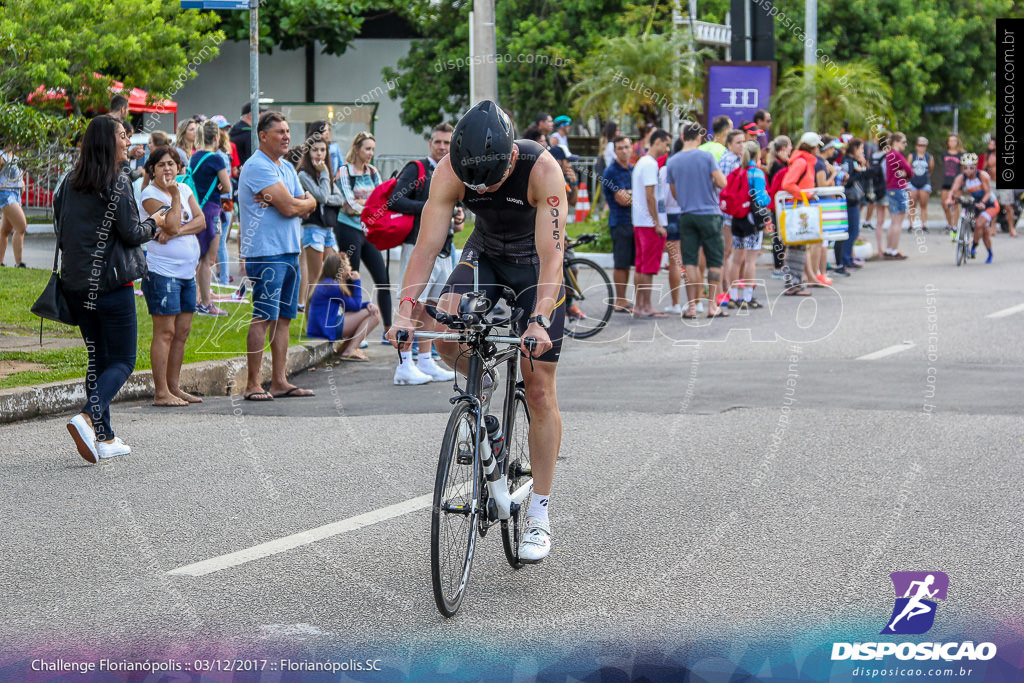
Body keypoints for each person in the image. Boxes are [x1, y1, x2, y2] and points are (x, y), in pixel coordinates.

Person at [388, 101, 567, 563]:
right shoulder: (451, 169)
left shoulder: (542, 170)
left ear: (511, 158)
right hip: (485, 253)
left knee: (540, 387)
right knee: (447, 333)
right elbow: (427, 245)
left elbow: (552, 258)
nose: (481, 188)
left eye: (491, 180)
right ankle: (481, 390)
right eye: (475, 182)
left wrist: (539, 319)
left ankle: (539, 515)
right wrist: (405, 312)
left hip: (533, 266)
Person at [56, 115, 159, 462]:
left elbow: (62, 228)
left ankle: (105, 437)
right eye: (122, 134)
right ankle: (86, 417)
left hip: (76, 286)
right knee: (123, 360)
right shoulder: (117, 181)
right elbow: (132, 233)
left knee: (97, 359)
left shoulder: (70, 182)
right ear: (106, 141)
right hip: (112, 286)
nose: (128, 139)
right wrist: (155, 223)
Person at [238, 111, 317, 401]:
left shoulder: (283, 167)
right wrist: (294, 202)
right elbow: (290, 207)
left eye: (287, 131)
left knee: (284, 319)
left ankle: (280, 381)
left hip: (288, 250)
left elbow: (309, 205)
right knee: (263, 317)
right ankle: (252, 384)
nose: (286, 136)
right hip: (266, 253)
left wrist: (299, 201)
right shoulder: (258, 166)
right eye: (279, 132)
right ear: (262, 136)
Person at [385, 122, 462, 384]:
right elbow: (395, 200)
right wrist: (432, 208)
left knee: (432, 307)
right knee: (413, 305)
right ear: (430, 143)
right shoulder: (417, 169)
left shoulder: (452, 170)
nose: (442, 147)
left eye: (447, 143)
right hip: (418, 246)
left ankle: (426, 361)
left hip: (444, 249)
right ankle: (403, 366)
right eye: (438, 142)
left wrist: (455, 216)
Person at [139, 147, 208, 407]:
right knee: (165, 332)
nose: (168, 169)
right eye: (161, 165)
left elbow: (201, 222)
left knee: (182, 331)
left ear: (179, 167)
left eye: (172, 164)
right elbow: (172, 222)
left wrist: (177, 232)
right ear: (153, 170)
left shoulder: (187, 190)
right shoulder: (149, 195)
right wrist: (175, 195)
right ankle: (161, 392)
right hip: (162, 272)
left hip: (187, 274)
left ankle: (174, 386)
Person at [666, 122, 729, 318]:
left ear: (682, 136)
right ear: (700, 137)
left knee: (690, 262)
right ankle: (712, 306)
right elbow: (722, 183)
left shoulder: (673, 161)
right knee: (714, 261)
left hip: (686, 215)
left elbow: (674, 193)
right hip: (709, 214)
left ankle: (692, 307)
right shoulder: (706, 156)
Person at [334, 131, 393, 331]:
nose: (370, 153)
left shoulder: (373, 172)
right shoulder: (344, 171)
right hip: (348, 229)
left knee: (383, 279)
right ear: (357, 149)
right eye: (367, 149)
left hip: (368, 230)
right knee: (353, 276)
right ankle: (352, 327)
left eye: (373, 150)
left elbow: (383, 202)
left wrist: (364, 205)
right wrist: (369, 206)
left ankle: (388, 329)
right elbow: (349, 203)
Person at [189, 120, 232, 315]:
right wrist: (222, 185)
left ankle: (198, 299)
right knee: (208, 260)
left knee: (198, 259)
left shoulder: (194, 157)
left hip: (196, 209)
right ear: (216, 137)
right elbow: (228, 187)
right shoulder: (216, 159)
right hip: (212, 211)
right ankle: (206, 304)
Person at [297, 137, 343, 310]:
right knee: (315, 278)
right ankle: (310, 321)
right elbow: (323, 196)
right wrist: (324, 174)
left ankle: (324, 315)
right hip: (312, 228)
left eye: (323, 150)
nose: (319, 154)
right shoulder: (303, 175)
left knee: (332, 274)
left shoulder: (326, 174)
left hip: (328, 229)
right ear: (308, 152)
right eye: (315, 150)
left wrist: (324, 181)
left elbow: (339, 198)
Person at [306, 253, 381, 358]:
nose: (351, 268)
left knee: (367, 312)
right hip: (325, 329)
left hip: (321, 327)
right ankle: (351, 349)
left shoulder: (327, 283)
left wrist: (367, 304)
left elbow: (351, 307)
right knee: (374, 315)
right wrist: (356, 281)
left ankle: (345, 349)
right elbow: (355, 306)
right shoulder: (333, 286)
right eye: (348, 266)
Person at [629, 129, 670, 318]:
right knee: (648, 267)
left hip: (641, 221)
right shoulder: (649, 164)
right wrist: (657, 223)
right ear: (658, 142)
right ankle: (645, 306)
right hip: (648, 223)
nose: (667, 149)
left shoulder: (642, 163)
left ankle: (640, 305)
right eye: (666, 144)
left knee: (641, 265)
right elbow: (650, 195)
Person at [729, 141, 771, 309]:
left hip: (736, 219)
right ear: (757, 154)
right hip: (751, 220)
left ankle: (732, 297)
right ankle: (747, 297)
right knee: (750, 260)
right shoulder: (756, 173)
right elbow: (761, 200)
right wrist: (767, 197)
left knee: (736, 259)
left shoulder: (737, 171)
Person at [779, 132, 822, 296]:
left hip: (799, 209)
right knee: (796, 248)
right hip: (798, 210)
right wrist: (805, 195)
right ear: (812, 147)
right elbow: (787, 183)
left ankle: (794, 283)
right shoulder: (802, 162)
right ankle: (793, 284)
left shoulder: (802, 161)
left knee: (798, 247)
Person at [945, 153, 998, 263]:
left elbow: (988, 193)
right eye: (965, 167)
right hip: (975, 204)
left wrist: (983, 202)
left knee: (980, 225)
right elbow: (953, 190)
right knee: (982, 231)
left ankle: (974, 248)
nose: (968, 170)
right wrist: (949, 199)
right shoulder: (961, 177)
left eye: (971, 168)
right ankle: (982, 248)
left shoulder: (982, 175)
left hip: (989, 204)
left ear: (976, 167)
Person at [602, 135, 635, 313]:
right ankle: (620, 300)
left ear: (632, 149)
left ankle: (624, 299)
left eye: (627, 147)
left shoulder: (632, 169)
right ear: (614, 151)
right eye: (620, 148)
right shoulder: (611, 171)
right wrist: (638, 198)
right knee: (621, 263)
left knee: (629, 262)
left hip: (633, 222)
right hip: (620, 222)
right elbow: (623, 199)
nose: (624, 151)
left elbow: (630, 196)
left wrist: (633, 196)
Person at [718, 130, 745, 307]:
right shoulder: (729, 161)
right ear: (729, 144)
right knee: (725, 253)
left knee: (728, 252)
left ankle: (726, 288)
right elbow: (726, 190)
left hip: (730, 213)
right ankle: (722, 290)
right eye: (738, 143)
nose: (741, 146)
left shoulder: (736, 160)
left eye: (743, 142)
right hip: (726, 214)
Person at [835, 138, 868, 274]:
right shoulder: (848, 162)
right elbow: (846, 182)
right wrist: (859, 171)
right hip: (849, 200)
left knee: (854, 230)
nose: (862, 152)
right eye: (861, 149)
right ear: (855, 149)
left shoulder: (853, 162)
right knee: (850, 230)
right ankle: (845, 259)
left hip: (854, 200)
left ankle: (848, 258)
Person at [883, 132, 913, 260]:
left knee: (893, 221)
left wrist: (904, 172)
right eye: (903, 142)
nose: (905, 145)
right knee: (898, 222)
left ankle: (889, 248)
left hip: (891, 189)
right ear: (895, 142)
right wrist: (905, 173)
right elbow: (910, 171)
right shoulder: (897, 155)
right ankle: (894, 250)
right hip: (899, 189)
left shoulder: (889, 155)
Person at [766, 135, 792, 279]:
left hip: (778, 205)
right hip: (778, 205)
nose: (791, 149)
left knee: (780, 236)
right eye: (789, 146)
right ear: (783, 149)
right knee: (779, 237)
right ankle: (778, 266)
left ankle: (779, 265)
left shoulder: (776, 163)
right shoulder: (778, 165)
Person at [0, 145, 28, 268]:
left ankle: (0, 262)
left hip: (15, 194)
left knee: (5, 231)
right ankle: (19, 263)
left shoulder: (14, 156)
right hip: (6, 194)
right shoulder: (1, 155)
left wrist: (22, 183)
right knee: (21, 226)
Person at [908, 137, 934, 233]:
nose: (921, 147)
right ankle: (911, 225)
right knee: (912, 204)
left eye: (923, 145)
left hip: (924, 182)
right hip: (913, 182)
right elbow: (908, 167)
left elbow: (931, 169)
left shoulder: (929, 157)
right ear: (916, 146)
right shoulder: (912, 156)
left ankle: (924, 225)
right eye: (920, 145)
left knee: (923, 204)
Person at [940, 134, 964, 234]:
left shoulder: (961, 154)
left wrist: (962, 183)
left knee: (955, 205)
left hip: (956, 183)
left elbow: (963, 170)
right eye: (950, 141)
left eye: (954, 141)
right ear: (948, 142)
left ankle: (954, 226)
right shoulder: (944, 153)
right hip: (946, 181)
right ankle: (949, 224)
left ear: (957, 142)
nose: (952, 143)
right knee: (945, 204)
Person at [230, 101, 263, 166]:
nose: (260, 118)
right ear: (251, 115)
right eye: (259, 114)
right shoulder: (250, 135)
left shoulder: (233, 130)